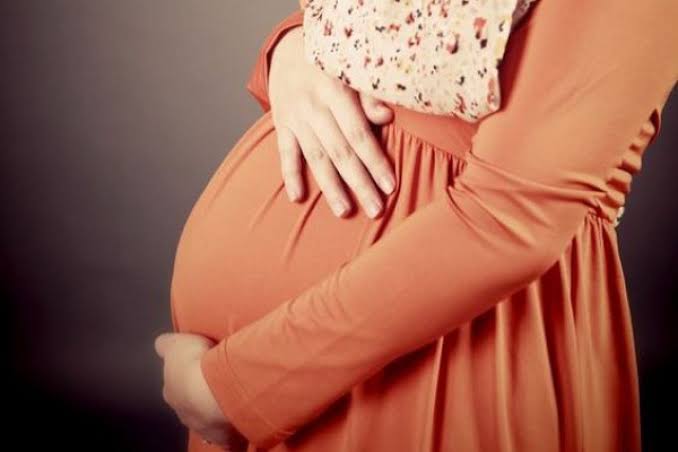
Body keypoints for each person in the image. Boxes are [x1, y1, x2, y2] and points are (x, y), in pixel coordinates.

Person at [154, 0, 677, 451]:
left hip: (446, 363)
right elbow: (381, 28)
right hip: (279, 378)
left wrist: (239, 390)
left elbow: (510, 221)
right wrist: (291, 51)